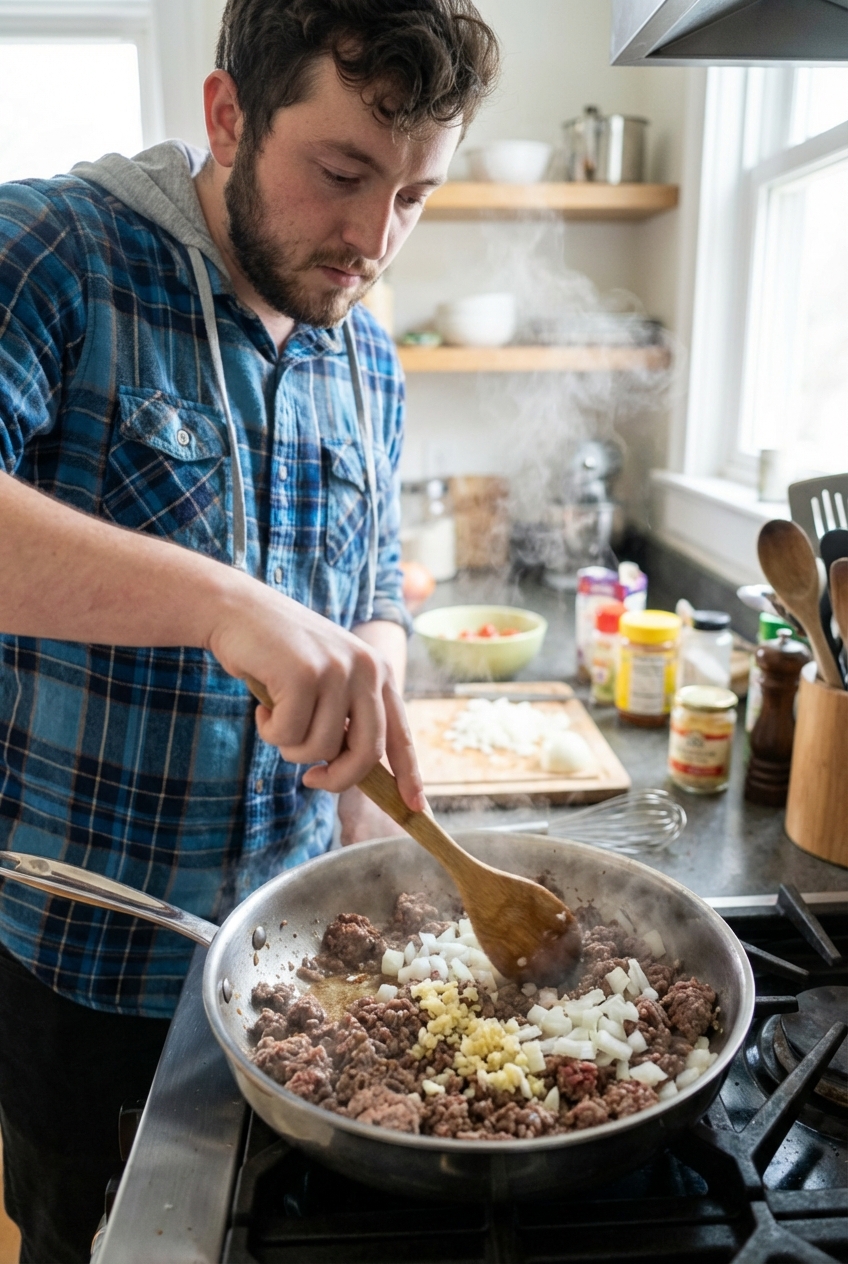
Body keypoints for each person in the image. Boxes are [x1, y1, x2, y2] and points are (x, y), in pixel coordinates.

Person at [0, 1, 499, 1258]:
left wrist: (373, 669)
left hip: (297, 968)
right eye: (341, 174)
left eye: (414, 196)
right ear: (227, 117)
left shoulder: (366, 355)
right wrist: (230, 605)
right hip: (87, 964)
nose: (372, 238)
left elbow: (370, 588)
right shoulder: (53, 251)